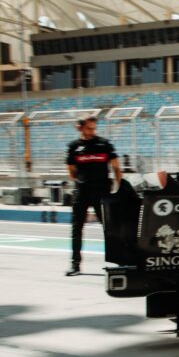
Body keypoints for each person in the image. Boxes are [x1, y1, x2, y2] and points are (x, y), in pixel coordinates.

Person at [65, 115, 121, 275]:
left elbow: (116, 167)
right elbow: (71, 171)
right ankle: (75, 265)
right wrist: (83, 181)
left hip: (102, 192)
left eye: (94, 128)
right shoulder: (73, 147)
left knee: (109, 228)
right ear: (80, 128)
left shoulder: (104, 144)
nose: (92, 131)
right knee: (76, 228)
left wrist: (118, 188)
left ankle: (119, 261)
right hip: (82, 192)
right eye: (89, 128)